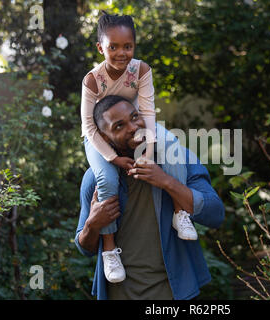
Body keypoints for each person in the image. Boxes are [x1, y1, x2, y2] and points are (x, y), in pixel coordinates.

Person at [80, 12, 198, 284]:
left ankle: (181, 213)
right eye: (113, 47)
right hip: (99, 137)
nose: (121, 53)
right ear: (101, 48)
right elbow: (88, 126)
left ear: (134, 45)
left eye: (128, 46)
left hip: (136, 125)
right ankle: (109, 249)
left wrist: (147, 152)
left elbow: (147, 111)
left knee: (170, 145)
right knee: (106, 179)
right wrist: (111, 157)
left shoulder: (141, 71)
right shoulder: (92, 80)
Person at [75, 95, 225, 300]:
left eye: (134, 117)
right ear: (104, 138)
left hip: (174, 292)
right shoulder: (96, 179)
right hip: (119, 293)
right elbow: (85, 248)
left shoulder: (178, 161)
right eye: (119, 126)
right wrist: (92, 225)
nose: (133, 127)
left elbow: (215, 213)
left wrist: (167, 181)